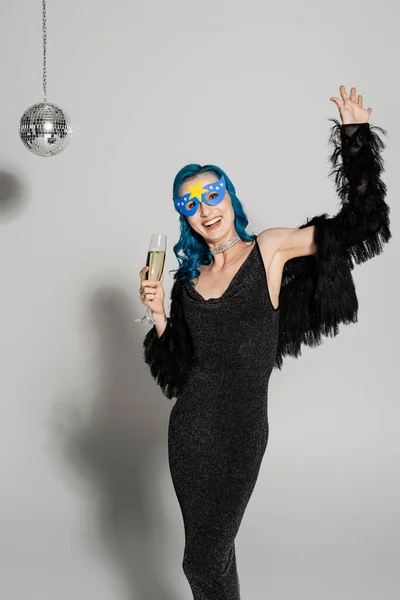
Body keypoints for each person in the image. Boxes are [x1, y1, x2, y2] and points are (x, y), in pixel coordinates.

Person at [138, 85, 391, 600]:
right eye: (190, 204)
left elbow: (360, 226)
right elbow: (178, 372)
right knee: (217, 555)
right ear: (183, 217)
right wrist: (160, 314)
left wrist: (356, 137)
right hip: (189, 433)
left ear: (229, 196)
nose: (205, 209)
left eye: (213, 195)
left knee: (200, 561)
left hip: (241, 430)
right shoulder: (188, 282)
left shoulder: (271, 250)